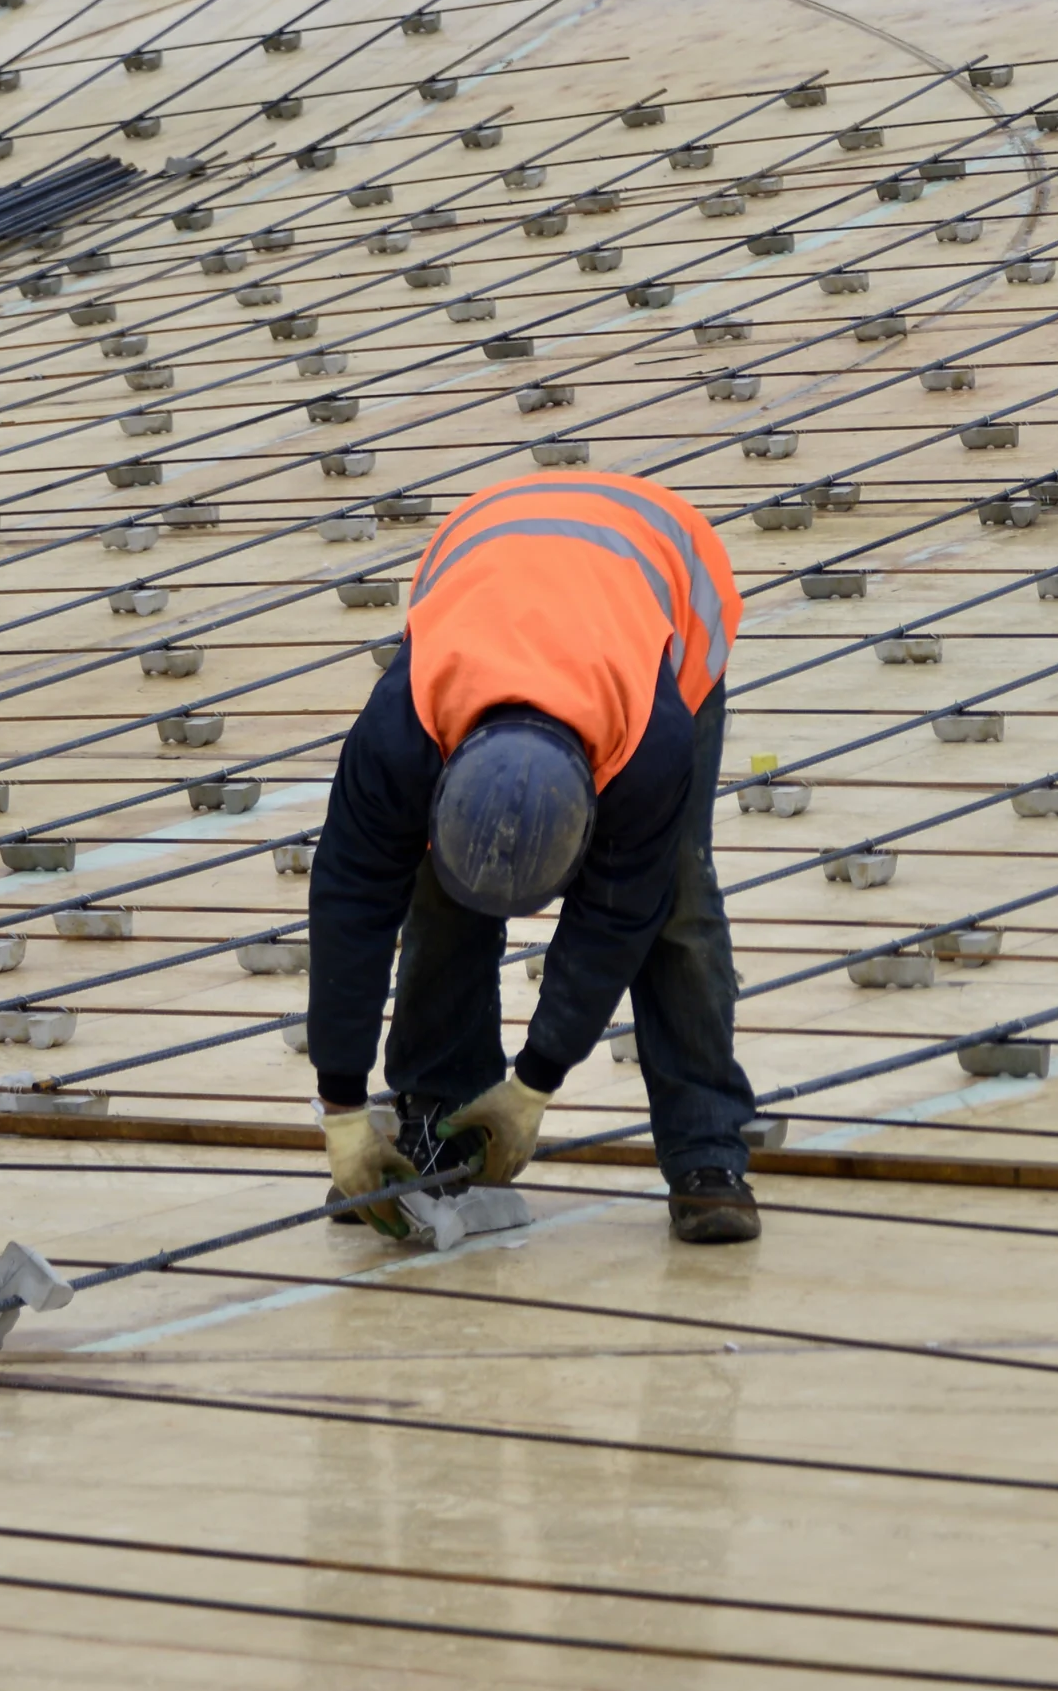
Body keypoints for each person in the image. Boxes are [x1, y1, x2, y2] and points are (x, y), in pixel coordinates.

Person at [307, 470, 764, 1243]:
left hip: (665, 583)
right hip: (494, 557)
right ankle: (436, 1116)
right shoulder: (400, 731)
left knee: (676, 898)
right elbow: (350, 903)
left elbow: (617, 913)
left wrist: (534, 1083)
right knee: (437, 890)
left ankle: (706, 1149)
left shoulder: (652, 743)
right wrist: (343, 1108)